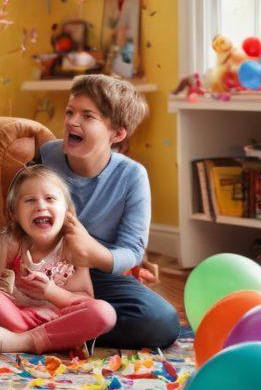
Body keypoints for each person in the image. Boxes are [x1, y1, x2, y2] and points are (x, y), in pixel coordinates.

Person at [14, 74, 180, 349]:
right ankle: (57, 321)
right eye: (70, 112)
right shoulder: (46, 157)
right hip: (42, 268)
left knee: (162, 321)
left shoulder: (132, 176)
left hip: (98, 274)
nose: (71, 121)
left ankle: (47, 327)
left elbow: (132, 250)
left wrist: (93, 253)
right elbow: (17, 211)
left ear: (117, 133)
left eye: (87, 116)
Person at [0, 166, 116, 354]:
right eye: (29, 200)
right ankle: (46, 340)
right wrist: (11, 290)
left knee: (104, 313)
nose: (40, 206)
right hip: (18, 317)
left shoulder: (73, 248)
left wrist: (51, 292)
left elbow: (84, 300)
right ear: (14, 213)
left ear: (68, 211)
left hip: (60, 320)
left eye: (50, 199)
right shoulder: (8, 243)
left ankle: (23, 342)